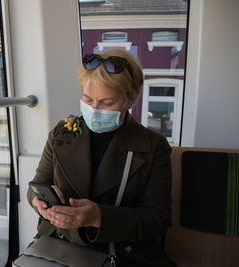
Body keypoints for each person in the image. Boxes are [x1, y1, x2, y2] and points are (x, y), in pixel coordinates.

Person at [27, 48, 176, 266]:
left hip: (120, 254)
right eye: (87, 99)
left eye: (107, 103)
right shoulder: (61, 134)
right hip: (60, 248)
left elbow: (157, 220)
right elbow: (36, 185)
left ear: (129, 99)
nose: (94, 109)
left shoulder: (154, 147)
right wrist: (37, 201)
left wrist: (98, 217)